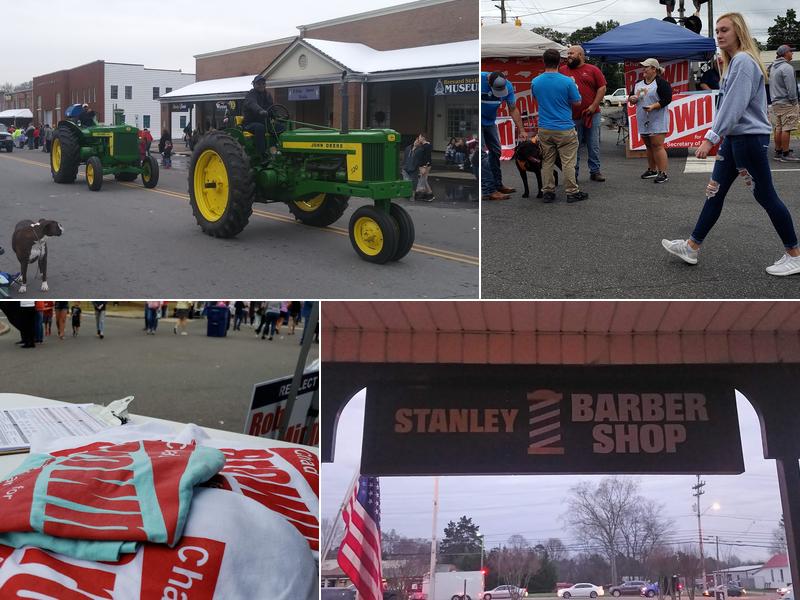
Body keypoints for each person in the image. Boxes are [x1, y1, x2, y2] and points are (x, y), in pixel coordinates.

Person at [662, 13, 800, 277]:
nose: (719, 34)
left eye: (725, 29)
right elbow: (728, 105)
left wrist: (710, 137)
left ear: (739, 32)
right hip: (735, 139)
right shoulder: (733, 62)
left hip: (748, 139)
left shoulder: (743, 62)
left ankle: (794, 254)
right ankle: (692, 246)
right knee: (715, 192)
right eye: (717, 30)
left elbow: (733, 107)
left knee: (765, 195)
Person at [530, 48, 588, 203]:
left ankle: (548, 191)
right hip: (564, 127)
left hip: (544, 127)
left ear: (544, 61)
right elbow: (577, 102)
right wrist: (575, 89)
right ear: (559, 62)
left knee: (547, 161)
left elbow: (536, 98)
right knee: (568, 161)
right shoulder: (567, 81)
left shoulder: (535, 82)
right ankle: (572, 192)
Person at [559, 45, 607, 182]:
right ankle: (574, 173)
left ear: (580, 55)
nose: (568, 55)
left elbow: (602, 88)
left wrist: (593, 106)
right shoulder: (562, 71)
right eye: (568, 53)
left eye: (571, 53)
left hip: (592, 114)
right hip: (571, 116)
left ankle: (595, 171)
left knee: (593, 144)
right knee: (574, 146)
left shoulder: (593, 69)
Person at [481, 71, 528, 200]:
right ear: (489, 82)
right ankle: (488, 191)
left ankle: (497, 184)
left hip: (489, 122)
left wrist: (522, 130)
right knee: (482, 156)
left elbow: (512, 109)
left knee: (496, 151)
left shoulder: (508, 86)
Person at [629, 58, 673, 184]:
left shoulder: (662, 83)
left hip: (657, 118)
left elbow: (667, 99)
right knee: (648, 145)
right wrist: (632, 99)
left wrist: (653, 106)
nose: (643, 69)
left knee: (657, 145)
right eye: (643, 67)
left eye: (646, 67)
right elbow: (633, 98)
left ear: (654, 69)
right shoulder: (638, 83)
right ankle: (652, 170)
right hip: (643, 118)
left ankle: (663, 172)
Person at [768, 45, 799, 162]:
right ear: (785, 53)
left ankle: (778, 151)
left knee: (778, 127)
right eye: (791, 51)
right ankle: (786, 153)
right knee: (787, 127)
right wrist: (795, 102)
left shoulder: (773, 67)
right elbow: (791, 88)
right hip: (787, 102)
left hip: (776, 101)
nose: (792, 53)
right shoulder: (786, 67)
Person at [243, 74, 275, 157]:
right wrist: (260, 110)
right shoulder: (251, 94)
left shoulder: (267, 95)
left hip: (264, 122)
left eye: (263, 83)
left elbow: (272, 108)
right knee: (260, 128)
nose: (261, 85)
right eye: (259, 84)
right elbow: (252, 104)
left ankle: (276, 150)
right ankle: (261, 154)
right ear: (254, 85)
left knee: (279, 127)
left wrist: (277, 115)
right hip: (249, 124)